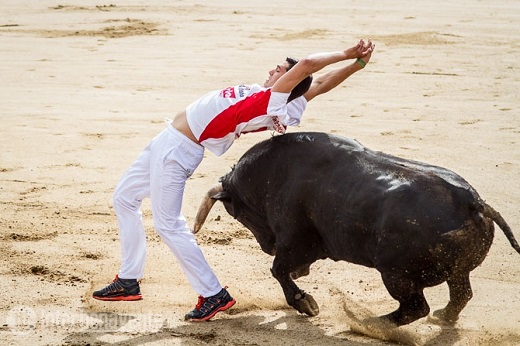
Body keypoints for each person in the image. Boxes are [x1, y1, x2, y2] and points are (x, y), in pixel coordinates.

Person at [92, 39, 375, 322]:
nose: (272, 70)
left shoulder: (272, 100)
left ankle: (213, 294)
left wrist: (347, 53)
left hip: (178, 151)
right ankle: (128, 280)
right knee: (125, 198)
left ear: (288, 80)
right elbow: (320, 83)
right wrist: (357, 65)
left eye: (279, 70)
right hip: (165, 141)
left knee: (169, 225)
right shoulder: (282, 101)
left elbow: (308, 67)